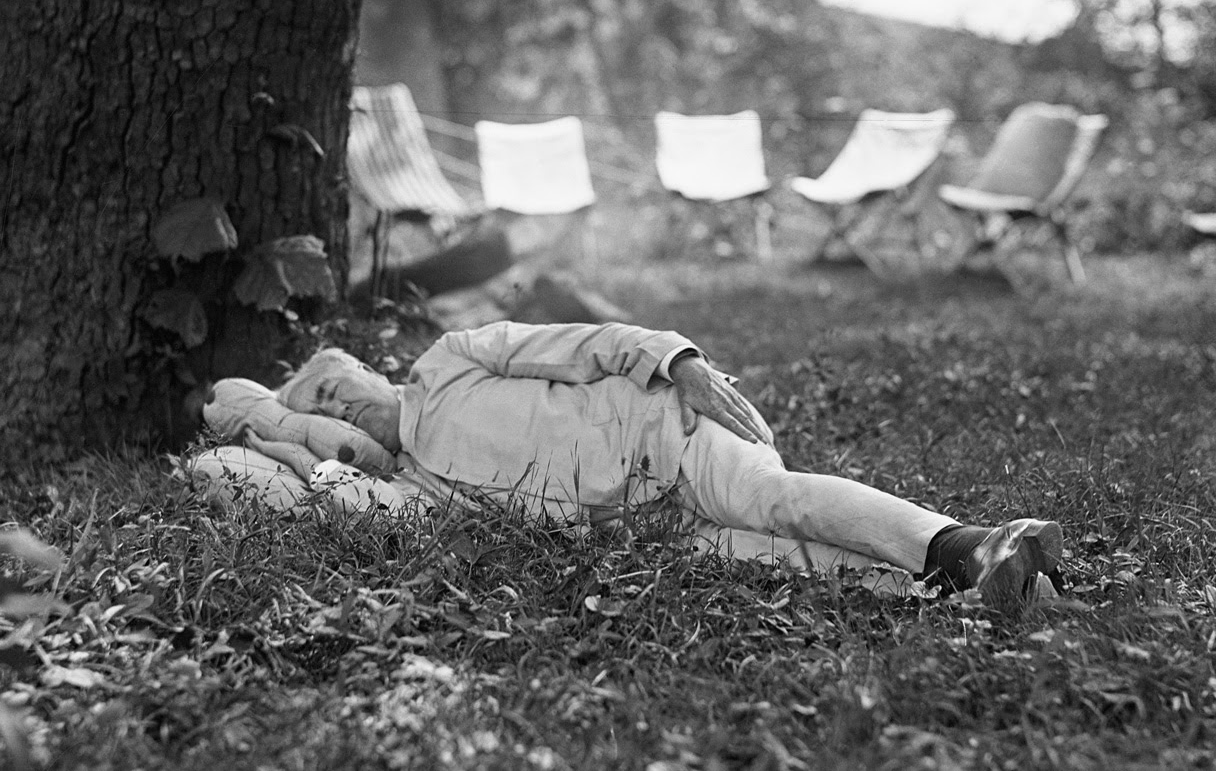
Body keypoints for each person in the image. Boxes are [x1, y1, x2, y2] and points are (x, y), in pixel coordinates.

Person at [191, 320, 1063, 612]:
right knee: (777, 563)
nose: (340, 406)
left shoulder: (450, 360)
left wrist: (676, 360)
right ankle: (970, 593)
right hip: (642, 530)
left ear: (371, 371)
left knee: (776, 498)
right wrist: (280, 443)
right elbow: (351, 505)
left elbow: (585, 343)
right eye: (324, 411)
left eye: (339, 385)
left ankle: (968, 547)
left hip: (663, 434)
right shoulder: (406, 485)